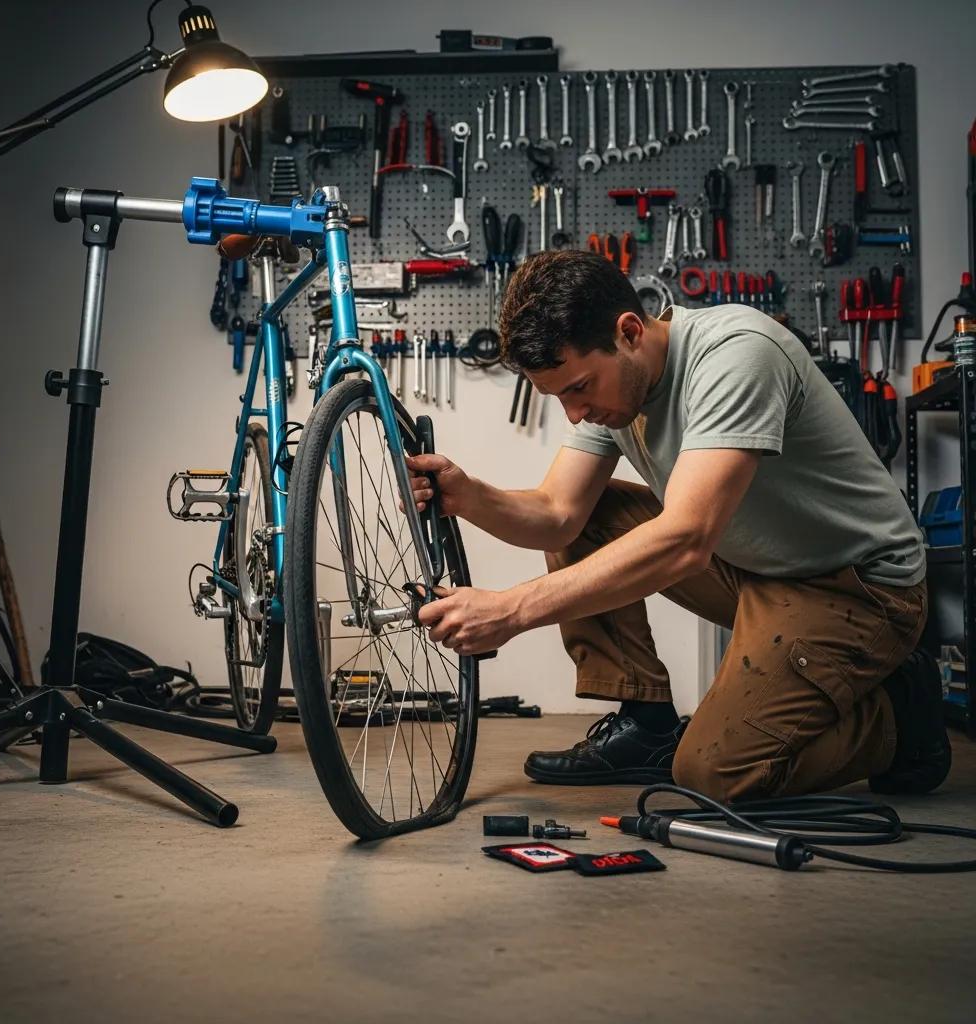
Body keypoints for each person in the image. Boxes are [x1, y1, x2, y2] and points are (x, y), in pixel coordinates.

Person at [407, 250, 950, 803]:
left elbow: (686, 538)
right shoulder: (618, 393)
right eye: (559, 397)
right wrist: (470, 496)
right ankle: (647, 725)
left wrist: (510, 611)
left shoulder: (736, 354)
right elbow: (558, 516)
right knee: (591, 520)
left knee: (714, 774)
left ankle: (899, 717)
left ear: (629, 331)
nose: (573, 413)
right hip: (756, 568)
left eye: (578, 388)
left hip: (857, 589)